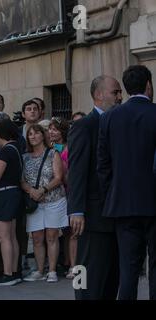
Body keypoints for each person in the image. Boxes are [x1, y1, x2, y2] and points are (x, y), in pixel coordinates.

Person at [97, 65, 156, 300]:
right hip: (153, 202)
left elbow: (103, 165)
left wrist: (111, 194)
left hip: (122, 203)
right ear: (148, 85)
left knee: (128, 267)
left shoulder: (109, 117)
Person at [68, 75, 122, 300]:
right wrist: (77, 210)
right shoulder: (84, 125)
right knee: (86, 273)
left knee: (111, 276)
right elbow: (77, 170)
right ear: (99, 95)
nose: (120, 97)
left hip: (116, 215)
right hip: (91, 217)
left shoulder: (119, 123)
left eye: (120, 92)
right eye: (115, 92)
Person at [22, 124, 68, 283]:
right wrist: (31, 191)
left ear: (43, 135)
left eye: (36, 133)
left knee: (52, 235)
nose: (33, 136)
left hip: (54, 199)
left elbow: (58, 177)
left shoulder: (53, 153)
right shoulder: (25, 157)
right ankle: (40, 270)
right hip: (35, 202)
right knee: (36, 237)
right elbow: (21, 180)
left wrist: (43, 190)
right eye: (30, 134)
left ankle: (53, 270)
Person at [0, 119, 23, 286]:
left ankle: (7, 274)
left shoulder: (4, 152)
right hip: (14, 194)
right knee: (12, 235)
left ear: (1, 134)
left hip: (3, 195)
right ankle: (14, 272)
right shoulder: (16, 149)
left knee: (3, 236)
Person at [49, 117, 76, 278]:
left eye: (55, 129)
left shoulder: (69, 147)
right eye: (50, 129)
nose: (51, 132)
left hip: (69, 191)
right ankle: (66, 261)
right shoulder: (49, 147)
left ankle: (74, 265)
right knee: (64, 231)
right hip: (56, 194)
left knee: (72, 231)